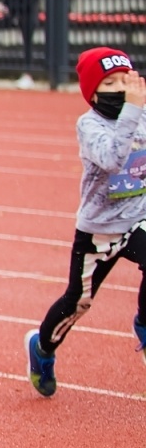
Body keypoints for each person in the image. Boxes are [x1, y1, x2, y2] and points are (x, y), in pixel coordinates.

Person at [26, 48, 146, 395]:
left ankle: (144, 323)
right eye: (110, 83)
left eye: (124, 80)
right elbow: (112, 159)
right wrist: (133, 109)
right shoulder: (89, 125)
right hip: (98, 231)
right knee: (77, 302)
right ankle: (42, 348)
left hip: (137, 219)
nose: (120, 88)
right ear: (92, 93)